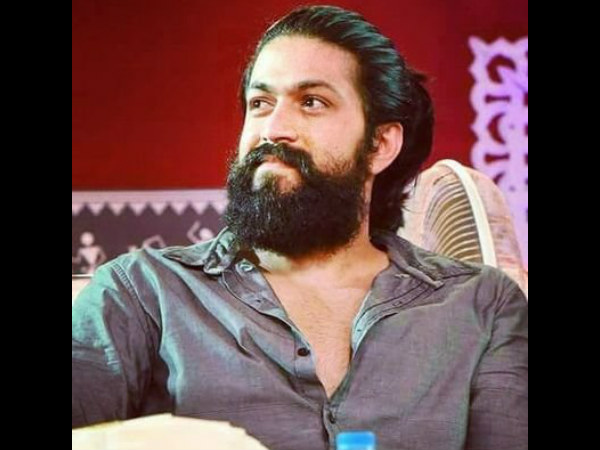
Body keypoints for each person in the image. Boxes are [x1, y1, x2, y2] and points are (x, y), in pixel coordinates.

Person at [72, 5, 528, 450]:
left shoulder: (481, 305)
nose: (274, 128)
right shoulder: (140, 293)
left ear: (379, 145)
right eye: (260, 103)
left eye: (311, 102)